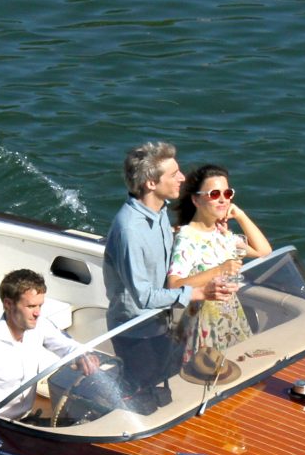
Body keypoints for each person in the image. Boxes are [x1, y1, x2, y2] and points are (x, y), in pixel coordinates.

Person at [103, 141, 229, 402]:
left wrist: (206, 231)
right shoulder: (130, 230)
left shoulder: (158, 212)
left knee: (167, 385)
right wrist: (197, 293)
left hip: (162, 322)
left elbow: (170, 251)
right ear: (151, 183)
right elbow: (144, 297)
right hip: (136, 331)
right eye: (174, 174)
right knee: (145, 399)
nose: (182, 178)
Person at [168, 164, 272, 368]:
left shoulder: (221, 233)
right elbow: (174, 285)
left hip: (231, 320)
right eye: (214, 194)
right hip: (205, 328)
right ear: (196, 199)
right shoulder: (187, 238)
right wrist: (219, 270)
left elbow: (263, 251)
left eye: (227, 193)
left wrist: (240, 215)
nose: (223, 199)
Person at [0, 269, 97, 420]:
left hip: (27, 418)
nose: (37, 313)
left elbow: (68, 346)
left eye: (40, 306)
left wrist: (82, 356)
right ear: (8, 304)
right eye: (31, 306)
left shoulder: (39, 325)